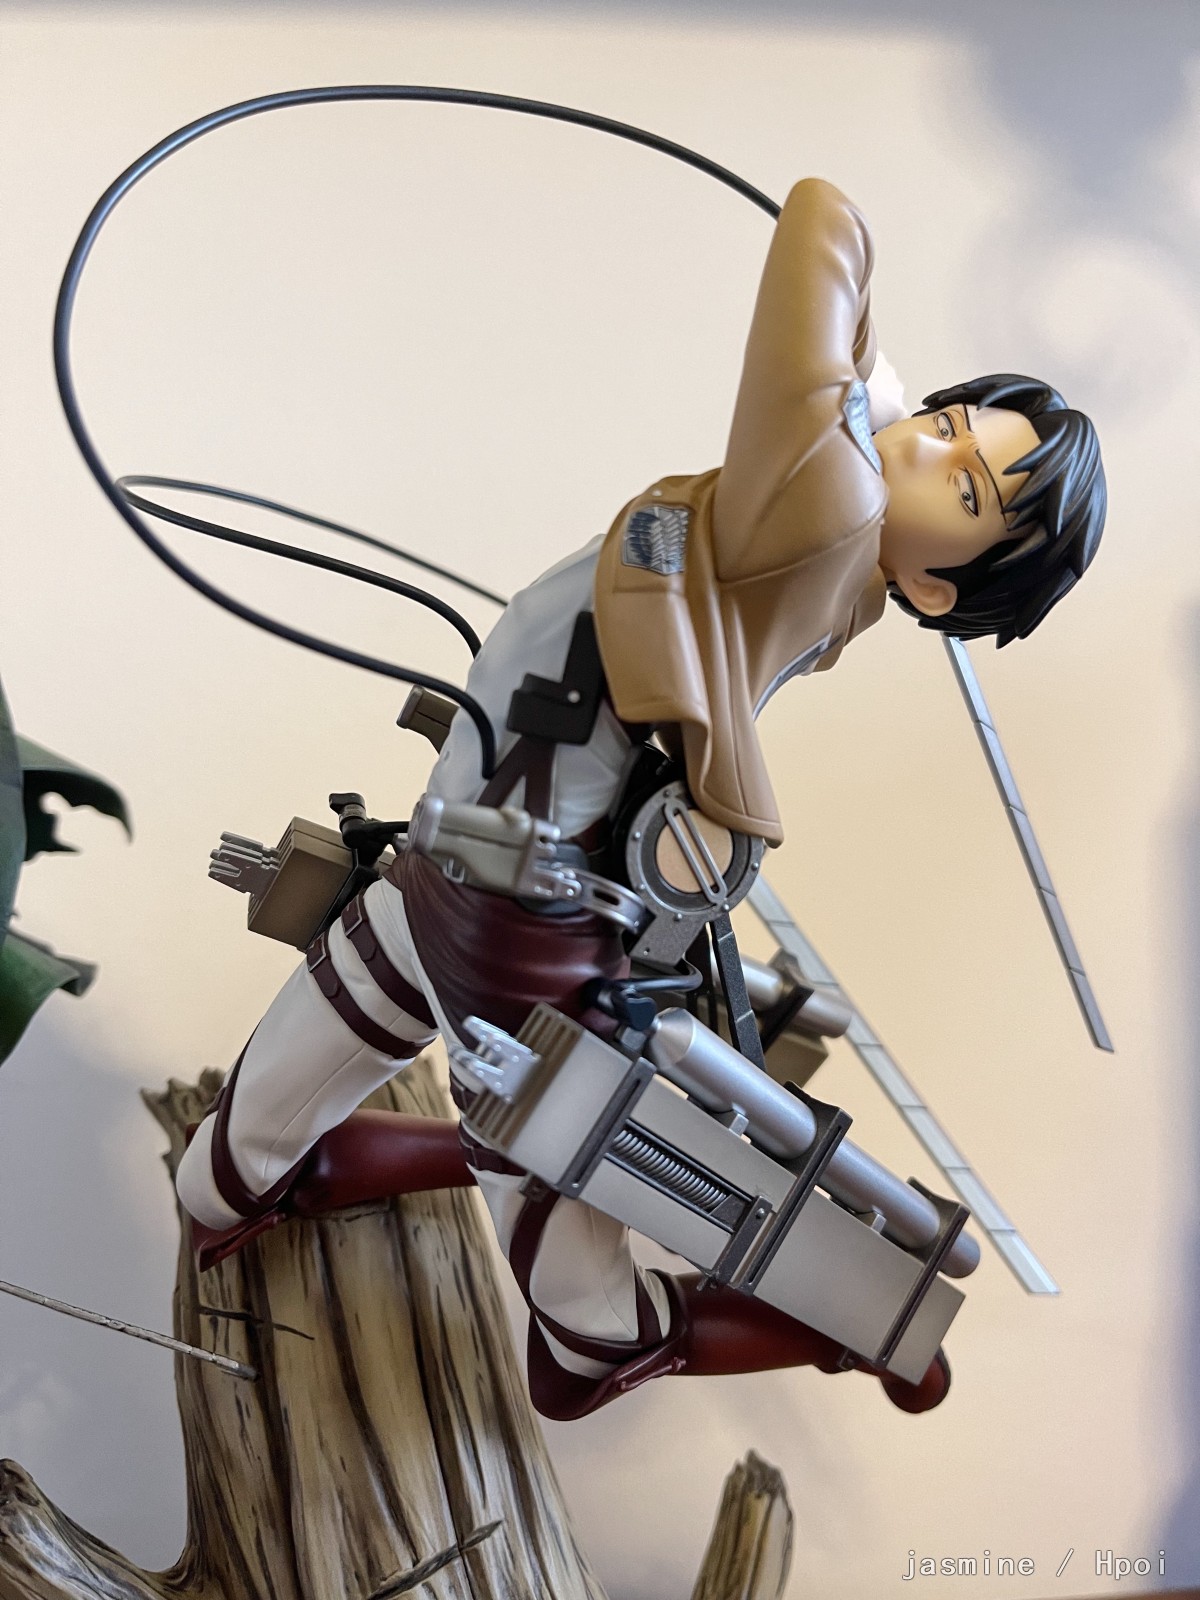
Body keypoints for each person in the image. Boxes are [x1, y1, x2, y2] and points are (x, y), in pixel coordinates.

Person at [175, 178, 1106, 1420]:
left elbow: (821, 224)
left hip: (514, 902)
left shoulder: (827, 510)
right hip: (477, 844)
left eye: (967, 487)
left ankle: (652, 1334)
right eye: (944, 424)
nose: (925, 446)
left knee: (553, 1235)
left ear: (939, 591)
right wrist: (888, 401)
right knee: (234, 1165)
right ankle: (374, 1186)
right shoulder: (831, 548)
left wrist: (873, 385)